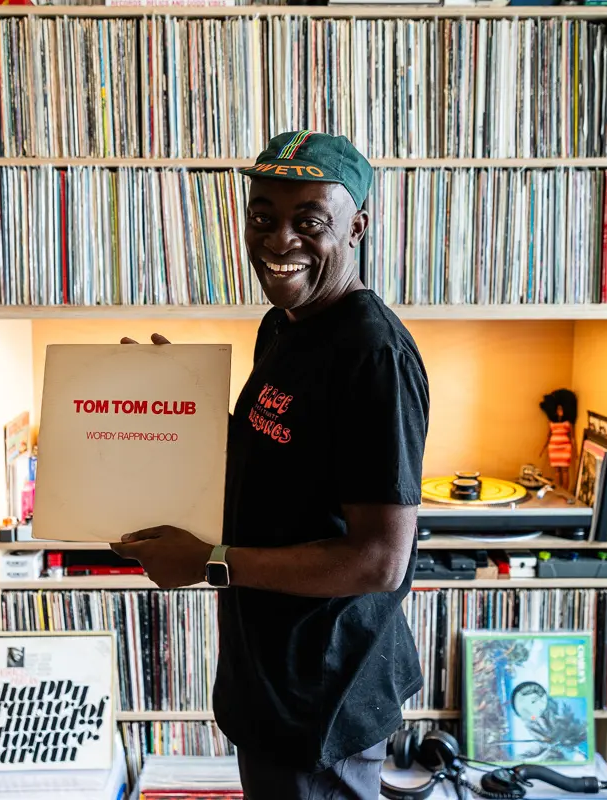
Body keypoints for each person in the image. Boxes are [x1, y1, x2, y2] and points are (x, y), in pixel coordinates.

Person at [112, 130, 431, 799]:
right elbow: (274, 450)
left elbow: (378, 561)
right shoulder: (284, 323)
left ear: (357, 227)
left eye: (310, 222)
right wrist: (180, 400)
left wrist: (208, 563)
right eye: (262, 217)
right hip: (270, 673)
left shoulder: (374, 357)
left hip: (324, 689)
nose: (278, 240)